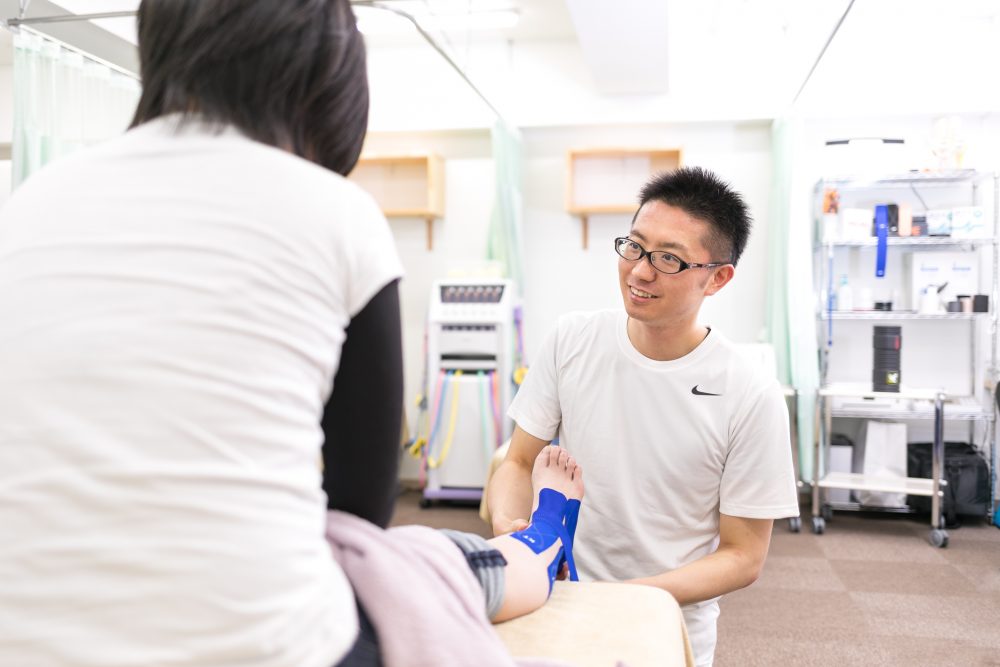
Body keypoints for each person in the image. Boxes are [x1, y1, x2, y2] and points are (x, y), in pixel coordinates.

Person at [0, 2, 580, 666]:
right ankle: (540, 541)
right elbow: (360, 514)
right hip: (266, 644)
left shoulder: (30, 203)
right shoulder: (340, 213)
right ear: (325, 81)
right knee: (430, 557)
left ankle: (532, 540)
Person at [486, 167, 799, 667]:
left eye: (668, 259)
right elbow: (519, 462)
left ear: (717, 277)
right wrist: (518, 536)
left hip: (660, 618)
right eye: (633, 247)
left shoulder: (750, 393)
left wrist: (631, 597)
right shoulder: (572, 340)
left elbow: (744, 555)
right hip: (555, 597)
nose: (639, 271)